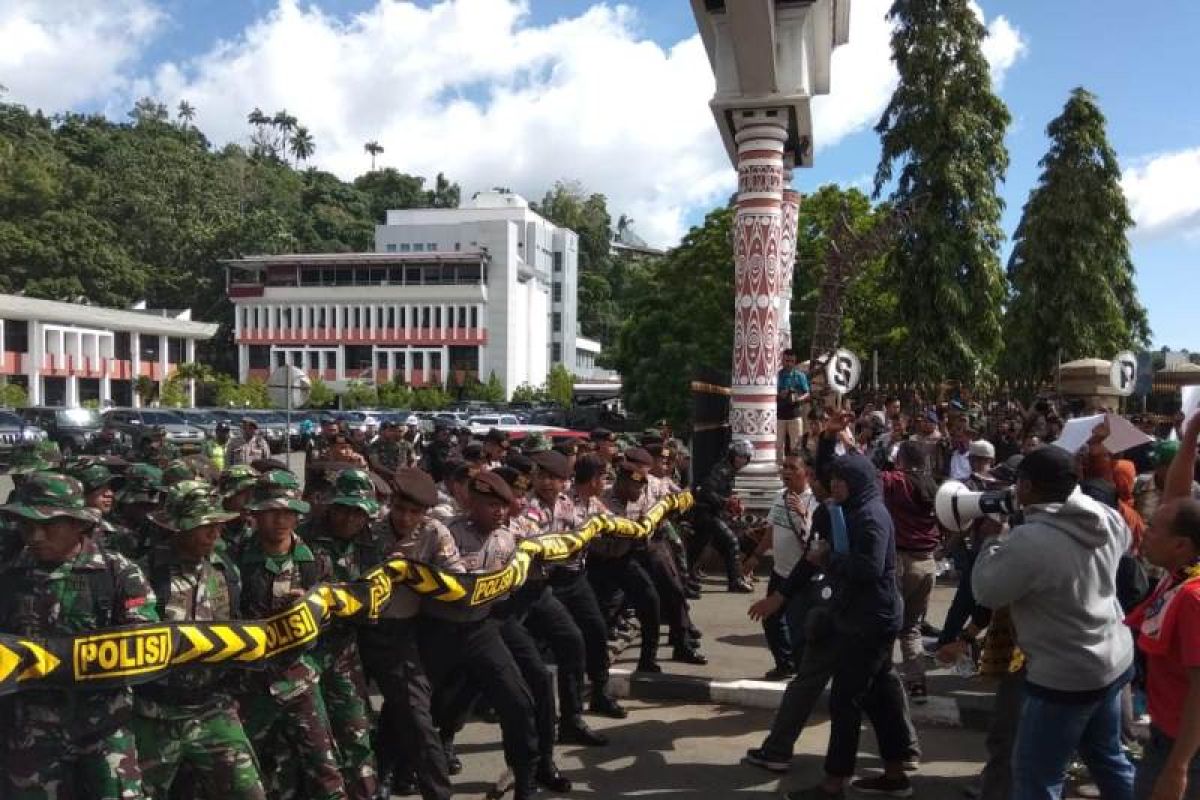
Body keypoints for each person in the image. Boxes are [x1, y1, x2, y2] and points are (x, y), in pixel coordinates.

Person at [973, 445, 1135, 800]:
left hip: (1064, 676)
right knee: (1108, 758)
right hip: (1113, 658)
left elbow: (987, 591)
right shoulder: (1105, 515)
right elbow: (1125, 545)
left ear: (1027, 486)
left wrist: (991, 542)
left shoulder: (1030, 540)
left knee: (1037, 776)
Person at [0, 472, 158, 799]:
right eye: (27, 525)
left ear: (77, 524)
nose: (36, 535)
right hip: (32, 729)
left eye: (49, 524)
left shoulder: (118, 572)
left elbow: (144, 640)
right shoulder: (9, 574)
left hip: (104, 725)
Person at [134, 481, 266, 799]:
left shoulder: (225, 571)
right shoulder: (144, 573)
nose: (215, 534)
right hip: (156, 713)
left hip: (212, 707)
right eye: (205, 527)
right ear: (178, 529)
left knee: (249, 791)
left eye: (218, 525)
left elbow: (236, 628)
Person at [422, 471, 541, 800]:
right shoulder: (447, 534)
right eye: (490, 505)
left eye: (503, 506)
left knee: (517, 700)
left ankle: (526, 778)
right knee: (413, 704)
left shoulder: (509, 537)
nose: (499, 512)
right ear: (472, 504)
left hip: (481, 628)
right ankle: (395, 771)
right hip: (439, 629)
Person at [234, 470, 347, 800]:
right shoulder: (234, 561)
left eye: (287, 512)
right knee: (252, 770)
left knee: (325, 768)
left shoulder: (316, 561)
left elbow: (336, 618)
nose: (280, 520)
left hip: (300, 678)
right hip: (250, 683)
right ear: (255, 515)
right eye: (271, 512)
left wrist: (311, 609)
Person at [360, 467, 461, 800]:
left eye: (414, 512)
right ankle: (377, 779)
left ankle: (435, 791)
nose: (404, 518)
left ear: (425, 513)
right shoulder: (367, 529)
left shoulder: (435, 533)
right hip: (356, 631)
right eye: (399, 509)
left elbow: (456, 582)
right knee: (359, 719)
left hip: (400, 632)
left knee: (417, 714)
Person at [306, 469, 382, 800]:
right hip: (305, 654)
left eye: (360, 512)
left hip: (345, 652)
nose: (352, 519)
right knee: (315, 742)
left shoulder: (369, 542)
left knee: (357, 734)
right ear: (332, 506)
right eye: (346, 510)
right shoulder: (303, 540)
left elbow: (375, 591)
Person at [742, 453, 817, 680]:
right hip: (779, 572)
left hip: (801, 577)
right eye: (784, 467)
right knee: (771, 619)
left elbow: (814, 541)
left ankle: (806, 673)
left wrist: (803, 514)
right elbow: (771, 531)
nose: (786, 472)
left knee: (799, 626)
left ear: (806, 473)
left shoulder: (814, 502)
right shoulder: (779, 498)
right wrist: (755, 556)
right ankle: (785, 664)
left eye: (793, 468)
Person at [880, 440, 942, 703]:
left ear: (901, 459)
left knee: (884, 624)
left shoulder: (895, 480)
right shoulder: (934, 486)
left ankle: (880, 681)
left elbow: (868, 477)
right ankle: (917, 685)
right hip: (927, 563)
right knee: (911, 628)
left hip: (900, 561)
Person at [689, 438, 755, 593]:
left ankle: (686, 577)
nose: (742, 460)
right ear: (732, 455)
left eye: (745, 457)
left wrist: (731, 505)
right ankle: (736, 581)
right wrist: (726, 503)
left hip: (711, 513)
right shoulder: (722, 470)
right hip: (705, 513)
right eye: (739, 456)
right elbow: (707, 492)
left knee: (697, 548)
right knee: (731, 542)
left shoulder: (729, 470)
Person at [777, 348, 811, 458]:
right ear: (782, 360)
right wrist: (780, 394)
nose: (789, 363)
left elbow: (807, 393)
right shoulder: (777, 375)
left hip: (795, 415)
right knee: (778, 446)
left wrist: (798, 399)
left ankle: (794, 471)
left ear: (795, 361)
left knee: (796, 446)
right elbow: (772, 393)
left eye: (791, 361)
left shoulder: (800, 376)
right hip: (779, 416)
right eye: (787, 361)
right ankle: (779, 471)